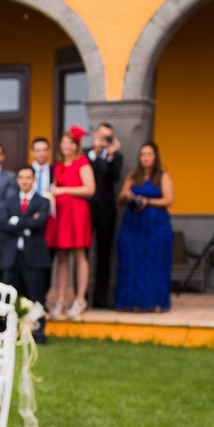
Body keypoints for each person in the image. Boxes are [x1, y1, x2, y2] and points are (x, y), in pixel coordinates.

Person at [114, 142, 174, 312]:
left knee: (153, 263)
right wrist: (128, 196)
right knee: (132, 262)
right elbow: (121, 198)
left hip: (155, 225)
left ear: (155, 156)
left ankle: (154, 302)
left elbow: (169, 200)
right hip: (133, 225)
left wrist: (147, 201)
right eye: (142, 154)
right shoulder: (133, 177)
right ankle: (131, 302)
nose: (145, 158)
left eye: (149, 154)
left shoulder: (162, 176)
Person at [0, 167, 52, 339]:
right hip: (12, 256)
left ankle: (38, 333)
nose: (25, 181)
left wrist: (16, 222)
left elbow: (39, 224)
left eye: (28, 177)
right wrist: (27, 225)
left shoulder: (42, 201)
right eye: (22, 177)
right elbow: (2, 225)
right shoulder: (9, 202)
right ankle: (8, 333)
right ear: (17, 180)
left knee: (36, 296)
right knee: (10, 297)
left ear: (33, 179)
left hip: (34, 256)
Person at [46, 128, 96, 319]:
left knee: (79, 255)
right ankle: (60, 298)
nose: (66, 146)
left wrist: (64, 190)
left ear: (77, 146)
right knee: (61, 257)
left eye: (71, 143)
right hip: (60, 214)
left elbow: (90, 188)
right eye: (64, 142)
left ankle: (80, 298)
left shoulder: (82, 163)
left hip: (76, 213)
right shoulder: (58, 166)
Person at [88, 123, 125, 308]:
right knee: (83, 254)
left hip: (106, 211)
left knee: (104, 255)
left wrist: (110, 155)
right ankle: (83, 296)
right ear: (96, 135)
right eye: (102, 136)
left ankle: (100, 298)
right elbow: (89, 176)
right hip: (87, 210)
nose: (105, 140)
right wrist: (95, 150)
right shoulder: (87, 155)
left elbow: (113, 179)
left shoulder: (116, 157)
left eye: (108, 137)